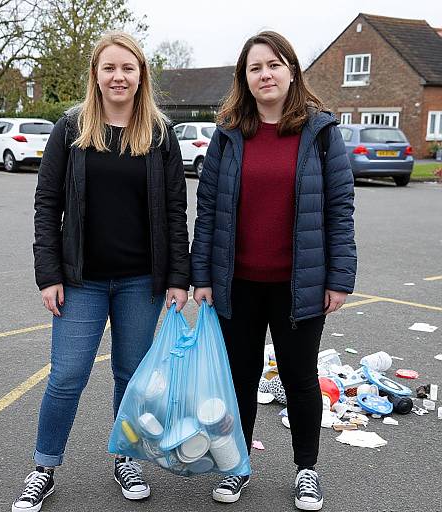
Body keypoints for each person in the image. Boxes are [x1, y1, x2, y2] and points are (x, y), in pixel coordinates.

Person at [12, 31, 189, 512]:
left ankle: (125, 457)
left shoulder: (159, 133)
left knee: (131, 376)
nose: (119, 77)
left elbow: (176, 209)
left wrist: (178, 276)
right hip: (80, 280)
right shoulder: (71, 129)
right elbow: (46, 205)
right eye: (109, 68)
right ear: (96, 74)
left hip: (141, 282)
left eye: (128, 68)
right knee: (66, 376)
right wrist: (47, 274)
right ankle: (44, 467)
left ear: (141, 75)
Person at [191, 31, 356, 510]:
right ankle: (237, 466)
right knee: (239, 379)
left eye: (274, 65)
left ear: (291, 71)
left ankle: (307, 470)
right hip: (237, 283)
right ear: (245, 78)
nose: (265, 74)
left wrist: (339, 277)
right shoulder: (227, 134)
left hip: (298, 284)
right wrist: (202, 276)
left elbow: (340, 209)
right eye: (255, 67)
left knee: (300, 380)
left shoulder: (321, 133)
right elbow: (208, 211)